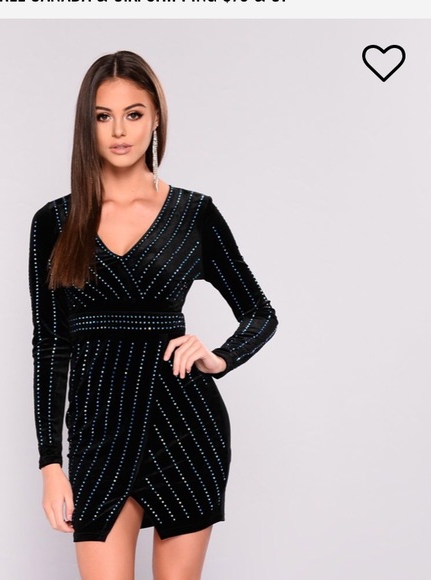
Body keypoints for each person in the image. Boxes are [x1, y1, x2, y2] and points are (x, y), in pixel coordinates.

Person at [29, 50, 278, 580]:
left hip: (185, 426)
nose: (119, 131)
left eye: (134, 113)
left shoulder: (194, 214)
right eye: (103, 116)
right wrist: (51, 463)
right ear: (87, 124)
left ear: (156, 117)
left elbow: (260, 313)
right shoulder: (55, 222)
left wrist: (220, 358)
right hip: (98, 431)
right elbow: (51, 344)